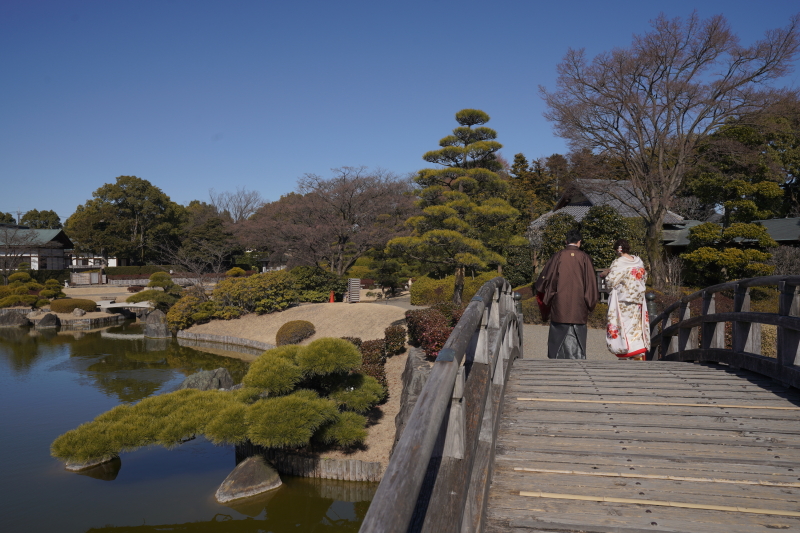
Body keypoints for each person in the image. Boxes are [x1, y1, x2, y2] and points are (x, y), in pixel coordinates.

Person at [534, 229, 598, 359]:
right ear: (579, 242)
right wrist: (590, 301)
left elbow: (545, 278)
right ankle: (578, 356)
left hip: (560, 301)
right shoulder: (585, 257)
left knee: (559, 326)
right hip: (579, 303)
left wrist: (544, 291)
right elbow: (591, 282)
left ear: (566, 241)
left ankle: (556, 357)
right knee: (578, 329)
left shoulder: (558, 256)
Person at [601, 239, 650, 360]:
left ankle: (625, 351)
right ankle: (638, 352)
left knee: (623, 326)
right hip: (638, 299)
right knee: (636, 326)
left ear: (618, 249)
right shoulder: (639, 261)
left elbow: (611, 281)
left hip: (623, 300)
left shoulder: (619, 262)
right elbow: (644, 278)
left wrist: (606, 274)